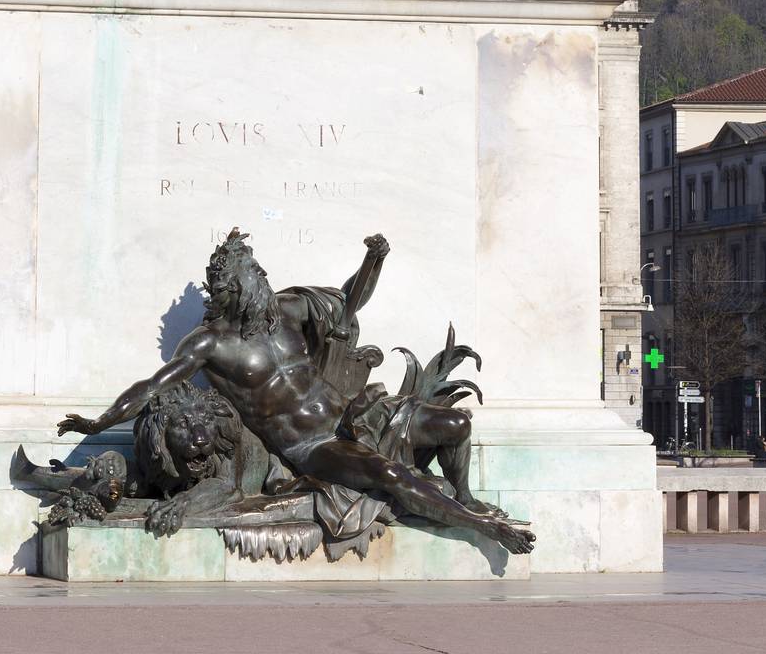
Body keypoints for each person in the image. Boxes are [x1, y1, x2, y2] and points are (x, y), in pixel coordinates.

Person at [59, 229, 535, 555]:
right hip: (315, 446)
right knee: (387, 474)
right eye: (219, 288)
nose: (222, 295)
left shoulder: (288, 311)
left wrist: (375, 258)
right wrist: (100, 422)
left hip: (354, 416)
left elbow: (348, 302)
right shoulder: (209, 344)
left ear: (252, 281)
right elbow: (152, 386)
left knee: (457, 424)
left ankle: (466, 496)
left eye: (231, 285)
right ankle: (486, 527)